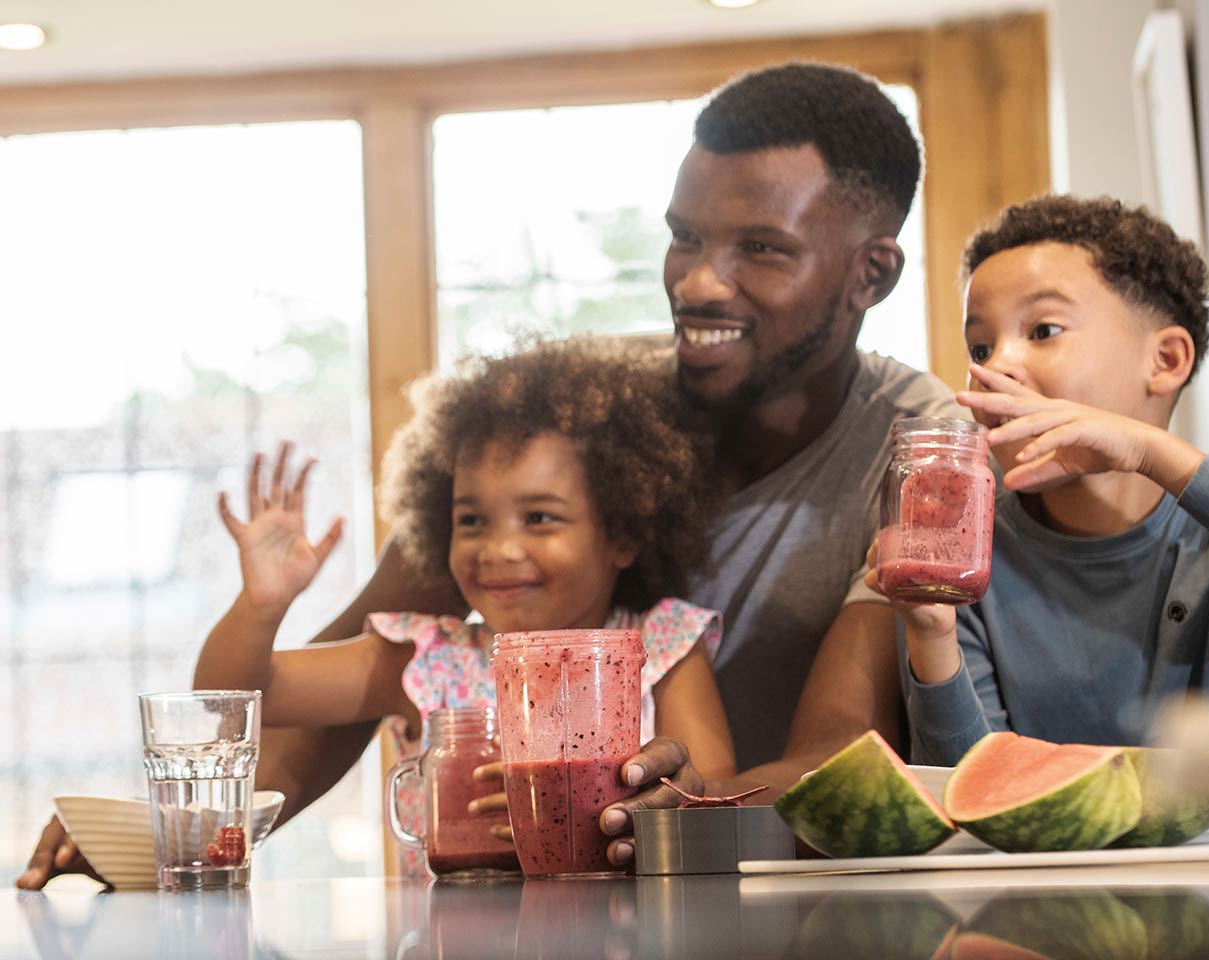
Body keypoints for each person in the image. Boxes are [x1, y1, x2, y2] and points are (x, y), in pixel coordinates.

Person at [19, 60, 959, 886]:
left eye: (760, 248)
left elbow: (842, 750)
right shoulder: (572, 421)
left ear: (871, 273)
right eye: (684, 237)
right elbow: (334, 695)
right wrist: (191, 836)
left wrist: (658, 812)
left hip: (751, 888)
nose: (697, 283)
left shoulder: (917, 448)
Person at [195, 340, 736, 875]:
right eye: (472, 521)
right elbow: (233, 698)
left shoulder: (663, 646)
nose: (498, 549)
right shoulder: (423, 658)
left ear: (622, 533)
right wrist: (261, 605)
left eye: (540, 518)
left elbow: (712, 800)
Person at [866, 195, 1209, 765]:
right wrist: (932, 636)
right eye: (980, 346)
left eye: (1043, 329)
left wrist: (1145, 449)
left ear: (1165, 361)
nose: (995, 367)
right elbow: (969, 791)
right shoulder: (965, 553)